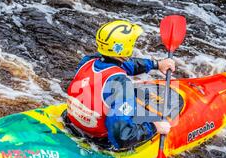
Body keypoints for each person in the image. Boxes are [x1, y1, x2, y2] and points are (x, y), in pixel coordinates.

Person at [66, 20, 175, 150]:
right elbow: (122, 137)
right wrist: (154, 127)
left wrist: (156, 64)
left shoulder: (88, 61)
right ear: (125, 48)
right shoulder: (121, 84)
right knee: (135, 105)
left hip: (73, 124)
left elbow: (123, 65)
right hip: (99, 140)